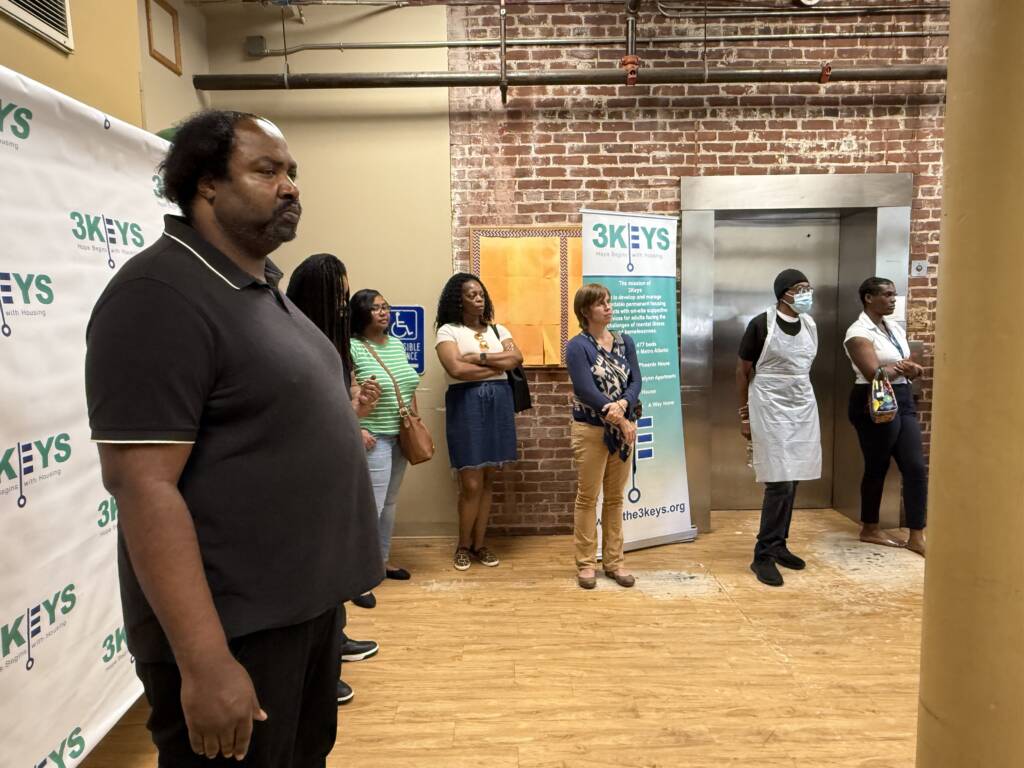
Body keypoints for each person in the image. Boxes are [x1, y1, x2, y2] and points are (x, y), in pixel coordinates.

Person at [84, 110, 383, 764]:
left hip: (301, 614)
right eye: (267, 170)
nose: (291, 186)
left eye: (293, 172)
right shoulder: (157, 295)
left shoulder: (259, 288)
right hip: (235, 634)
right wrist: (205, 662)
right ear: (206, 185)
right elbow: (143, 485)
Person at [286, 255, 384, 704]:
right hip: (305, 479)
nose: (346, 305)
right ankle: (319, 672)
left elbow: (335, 410)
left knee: (333, 566)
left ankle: (335, 642)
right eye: (340, 296)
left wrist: (357, 408)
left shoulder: (328, 343)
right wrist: (352, 421)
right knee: (315, 572)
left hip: (330, 471)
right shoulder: (295, 340)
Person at [736, 269, 821, 587]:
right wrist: (743, 415)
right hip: (769, 407)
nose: (806, 293)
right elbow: (742, 371)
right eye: (800, 288)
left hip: (801, 405)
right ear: (783, 293)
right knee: (778, 482)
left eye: (808, 288)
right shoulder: (761, 323)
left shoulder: (810, 324)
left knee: (794, 478)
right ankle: (763, 555)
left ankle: (779, 544)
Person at [434, 273, 522, 571]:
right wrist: (497, 365)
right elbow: (456, 369)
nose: (478, 297)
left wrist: (479, 357)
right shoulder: (448, 331)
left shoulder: (499, 328)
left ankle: (479, 544)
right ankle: (462, 545)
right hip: (466, 403)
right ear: (458, 299)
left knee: (488, 480)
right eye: (471, 294)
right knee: (470, 482)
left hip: (498, 402)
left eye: (481, 293)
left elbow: (515, 358)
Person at [843, 277, 927, 556]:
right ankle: (870, 527)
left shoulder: (893, 327)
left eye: (895, 295)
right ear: (869, 297)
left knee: (915, 466)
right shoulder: (857, 332)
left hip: (901, 398)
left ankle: (917, 535)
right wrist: (902, 368)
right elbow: (874, 373)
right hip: (872, 399)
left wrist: (906, 367)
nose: (893, 299)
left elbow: (893, 367)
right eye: (887, 295)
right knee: (877, 466)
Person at [565, 284, 641, 590]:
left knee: (614, 499)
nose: (608, 307)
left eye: (609, 302)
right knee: (587, 497)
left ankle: (614, 562)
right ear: (586, 311)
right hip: (591, 429)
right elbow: (586, 390)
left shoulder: (625, 342)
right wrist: (621, 420)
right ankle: (586, 563)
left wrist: (624, 405)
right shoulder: (577, 346)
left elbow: (636, 380)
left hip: (623, 428)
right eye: (601, 304)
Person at [349, 288, 421, 581]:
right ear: (362, 313)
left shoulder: (397, 344)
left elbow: (408, 384)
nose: (383, 312)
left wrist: (414, 421)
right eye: (376, 308)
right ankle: (356, 572)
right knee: (373, 505)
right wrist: (359, 427)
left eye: (385, 307)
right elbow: (348, 392)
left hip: (398, 436)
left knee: (389, 504)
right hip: (373, 437)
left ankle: (381, 561)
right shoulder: (352, 347)